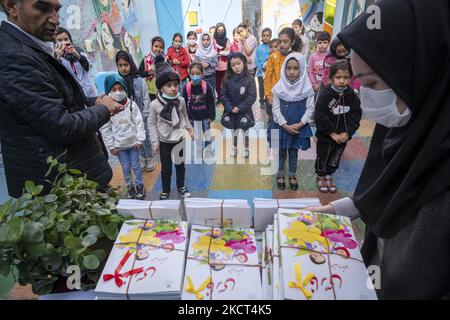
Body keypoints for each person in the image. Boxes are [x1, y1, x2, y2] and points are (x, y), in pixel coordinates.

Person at [306, 0, 450, 299]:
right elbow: (391, 186)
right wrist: (349, 207)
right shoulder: (408, 122)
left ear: (417, 69)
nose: (365, 95)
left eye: (371, 82)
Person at [0, 0, 124, 198]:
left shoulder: (32, 48)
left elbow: (56, 106)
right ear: (12, 6)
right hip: (63, 190)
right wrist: (103, 109)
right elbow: (62, 126)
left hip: (74, 182)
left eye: (57, 9)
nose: (55, 19)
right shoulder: (15, 56)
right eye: (42, 8)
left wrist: (93, 103)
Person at [148, 55, 194, 201]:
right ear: (161, 87)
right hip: (164, 142)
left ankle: (181, 186)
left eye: (175, 84)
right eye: (169, 86)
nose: (173, 88)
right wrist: (155, 142)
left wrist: (190, 129)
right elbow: (151, 124)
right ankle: (166, 190)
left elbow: (185, 116)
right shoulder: (154, 104)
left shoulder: (180, 100)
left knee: (180, 166)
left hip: (179, 139)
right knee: (166, 169)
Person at [314, 60, 362, 193]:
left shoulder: (352, 95)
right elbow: (319, 115)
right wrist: (331, 133)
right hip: (326, 137)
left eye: (346, 77)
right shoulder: (326, 95)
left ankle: (329, 175)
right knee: (323, 157)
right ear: (331, 78)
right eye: (338, 77)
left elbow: (355, 116)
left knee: (336, 158)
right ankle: (321, 175)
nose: (342, 81)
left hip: (343, 137)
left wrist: (347, 133)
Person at [272, 52, 315, 191]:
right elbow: (275, 109)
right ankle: (280, 173)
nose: (291, 71)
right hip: (281, 126)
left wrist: (300, 124)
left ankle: (292, 174)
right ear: (283, 68)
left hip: (298, 127)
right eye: (288, 68)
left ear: (302, 69)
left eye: (296, 68)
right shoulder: (279, 88)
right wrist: (285, 125)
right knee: (281, 151)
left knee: (293, 152)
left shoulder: (307, 88)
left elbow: (310, 109)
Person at [100, 74, 146, 200]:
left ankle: (139, 185)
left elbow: (139, 122)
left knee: (136, 166)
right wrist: (111, 146)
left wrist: (140, 139)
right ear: (108, 91)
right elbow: (105, 128)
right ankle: (130, 186)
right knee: (125, 168)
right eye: (113, 89)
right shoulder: (106, 109)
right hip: (119, 147)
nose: (118, 92)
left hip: (133, 144)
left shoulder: (131, 105)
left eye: (120, 89)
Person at [115, 50, 156, 172]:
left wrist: (144, 116)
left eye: (126, 65)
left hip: (142, 117)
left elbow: (145, 99)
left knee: (145, 138)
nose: (123, 68)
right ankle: (142, 157)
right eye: (120, 65)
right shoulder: (117, 82)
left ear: (131, 64)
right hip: (128, 118)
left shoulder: (139, 80)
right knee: (135, 139)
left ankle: (149, 157)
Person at [264, 28, 302, 145]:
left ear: (292, 42)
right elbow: (268, 78)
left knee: (287, 121)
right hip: (274, 97)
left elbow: (301, 78)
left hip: (291, 98)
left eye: (285, 41)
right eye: (280, 41)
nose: (282, 44)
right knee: (274, 121)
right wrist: (268, 95)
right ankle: (275, 146)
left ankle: (287, 144)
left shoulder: (297, 57)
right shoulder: (273, 57)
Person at [220, 52, 257, 159]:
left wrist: (240, 107)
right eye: (233, 65)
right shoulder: (226, 79)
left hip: (244, 110)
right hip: (231, 110)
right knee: (234, 130)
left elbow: (252, 96)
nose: (236, 67)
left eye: (238, 63)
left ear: (244, 63)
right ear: (230, 67)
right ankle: (234, 147)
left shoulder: (249, 79)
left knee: (245, 130)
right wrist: (230, 107)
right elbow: (223, 95)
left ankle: (246, 148)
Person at [182, 63, 216, 159]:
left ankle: (208, 150)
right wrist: (187, 118)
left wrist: (211, 116)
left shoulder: (206, 86)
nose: (195, 76)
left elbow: (211, 102)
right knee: (197, 135)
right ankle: (198, 151)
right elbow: (183, 103)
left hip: (205, 116)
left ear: (202, 74)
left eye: (198, 73)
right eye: (192, 74)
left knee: (207, 133)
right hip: (194, 116)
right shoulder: (187, 87)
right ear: (189, 74)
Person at [54, 27, 97, 98]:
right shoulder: (55, 57)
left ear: (70, 40)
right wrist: (57, 57)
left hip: (90, 94)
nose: (64, 42)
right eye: (59, 40)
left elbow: (88, 67)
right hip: (75, 97)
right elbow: (57, 76)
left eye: (66, 39)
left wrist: (77, 55)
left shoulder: (79, 51)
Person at [139, 36, 165, 101]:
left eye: (161, 47)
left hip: (164, 89)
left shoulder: (166, 59)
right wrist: (149, 73)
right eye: (156, 46)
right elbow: (139, 73)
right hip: (150, 91)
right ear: (151, 47)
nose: (158, 49)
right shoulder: (145, 59)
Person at [213, 23, 231, 102]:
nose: (220, 32)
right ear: (216, 31)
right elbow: (212, 51)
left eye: (222, 30)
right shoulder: (213, 40)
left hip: (225, 65)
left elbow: (228, 51)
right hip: (216, 66)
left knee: (225, 83)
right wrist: (222, 51)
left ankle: (225, 98)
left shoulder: (227, 40)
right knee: (217, 84)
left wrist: (219, 52)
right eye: (219, 30)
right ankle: (219, 98)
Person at [255, 28, 272, 110]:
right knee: (261, 88)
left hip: (270, 72)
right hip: (261, 73)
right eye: (264, 36)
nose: (265, 37)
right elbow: (256, 60)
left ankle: (267, 100)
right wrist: (261, 69)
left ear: (270, 36)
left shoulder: (272, 47)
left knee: (268, 87)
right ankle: (261, 101)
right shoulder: (259, 48)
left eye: (267, 35)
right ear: (261, 36)